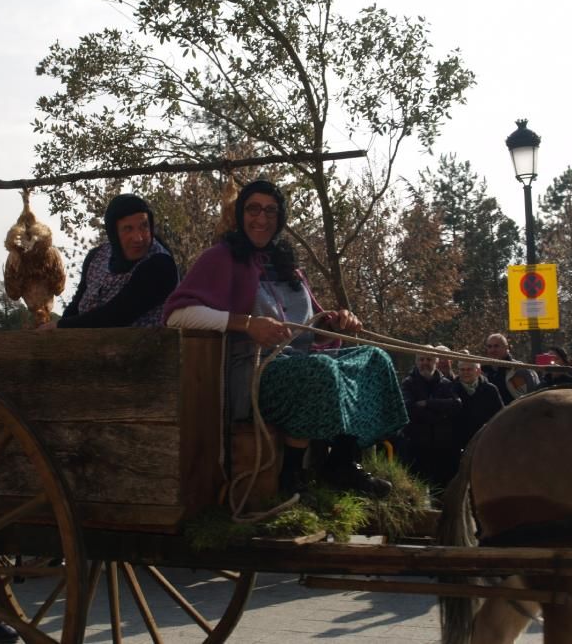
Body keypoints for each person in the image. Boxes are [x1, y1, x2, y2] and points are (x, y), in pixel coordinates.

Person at [164, 180, 406, 498]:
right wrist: (247, 324)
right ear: (240, 214)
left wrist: (337, 321)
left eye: (270, 211)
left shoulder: (287, 267)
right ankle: (291, 474)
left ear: (280, 219)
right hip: (255, 372)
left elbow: (313, 325)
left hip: (305, 361)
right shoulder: (220, 258)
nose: (261, 219)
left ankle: (343, 462)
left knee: (375, 360)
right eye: (253, 209)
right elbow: (177, 315)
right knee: (318, 371)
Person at [44, 194, 178, 329]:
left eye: (144, 226)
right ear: (114, 232)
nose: (138, 238)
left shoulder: (160, 265)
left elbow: (117, 315)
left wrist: (61, 326)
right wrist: (57, 330)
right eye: (128, 229)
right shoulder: (97, 257)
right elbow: (76, 308)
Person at [399, 346, 460, 490]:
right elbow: (409, 408)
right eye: (421, 359)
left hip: (441, 447)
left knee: (440, 490)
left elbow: (456, 405)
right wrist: (439, 414)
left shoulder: (446, 384)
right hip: (416, 445)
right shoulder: (408, 383)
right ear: (416, 362)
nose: (425, 363)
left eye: (429, 359)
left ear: (436, 361)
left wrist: (428, 403)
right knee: (415, 489)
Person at [451, 355, 504, 459]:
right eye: (462, 370)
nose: (465, 373)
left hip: (485, 441)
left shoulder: (490, 390)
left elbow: (500, 414)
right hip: (459, 443)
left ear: (478, 371)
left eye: (469, 369)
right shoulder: (452, 389)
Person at [481, 333, 539, 405]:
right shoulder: (481, 371)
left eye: (496, 346)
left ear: (506, 347)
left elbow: (533, 395)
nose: (492, 350)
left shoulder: (519, 370)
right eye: (489, 346)